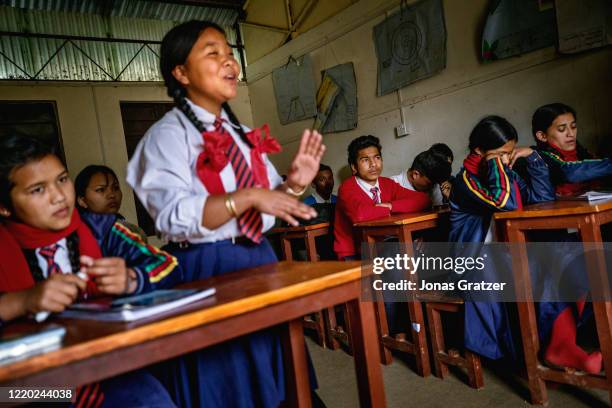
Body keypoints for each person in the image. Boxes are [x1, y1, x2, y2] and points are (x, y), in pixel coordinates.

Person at [126, 20, 324, 408]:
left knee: (281, 376)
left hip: (259, 258)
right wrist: (248, 196)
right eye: (212, 53)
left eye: (231, 54)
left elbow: (269, 206)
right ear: (180, 73)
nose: (229, 62)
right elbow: (170, 216)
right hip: (207, 267)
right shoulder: (167, 136)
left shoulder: (241, 133)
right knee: (230, 383)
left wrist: (294, 185)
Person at [0, 134, 179, 407]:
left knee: (150, 398)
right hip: (29, 390)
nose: (59, 197)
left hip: (109, 370)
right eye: (37, 190)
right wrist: (22, 301)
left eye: (62, 180)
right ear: (4, 207)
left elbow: (168, 265)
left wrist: (131, 279)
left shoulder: (102, 229)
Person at [449, 115, 601, 374]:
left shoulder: (505, 172)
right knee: (548, 265)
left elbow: (539, 199)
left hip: (509, 251)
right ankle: (558, 348)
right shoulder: (465, 181)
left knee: (572, 252)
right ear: (479, 151)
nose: (507, 160)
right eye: (500, 153)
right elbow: (504, 203)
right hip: (478, 258)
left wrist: (531, 158)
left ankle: (562, 345)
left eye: (509, 153)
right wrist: (497, 165)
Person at [334, 135, 430, 261]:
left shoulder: (387, 183)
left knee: (421, 253)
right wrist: (387, 210)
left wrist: (391, 206)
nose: (373, 164)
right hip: (354, 252)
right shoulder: (347, 188)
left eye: (377, 158)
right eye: (365, 160)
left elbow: (423, 199)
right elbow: (360, 215)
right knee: (401, 263)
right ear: (353, 167)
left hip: (384, 247)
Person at [532, 102, 612, 196]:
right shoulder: (539, 158)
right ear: (542, 136)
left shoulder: (583, 154)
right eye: (561, 129)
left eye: (573, 127)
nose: (571, 134)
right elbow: (570, 172)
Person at [75, 164, 147, 241]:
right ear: (82, 201)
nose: (112, 195)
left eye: (116, 188)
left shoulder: (134, 232)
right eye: (101, 190)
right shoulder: (75, 237)